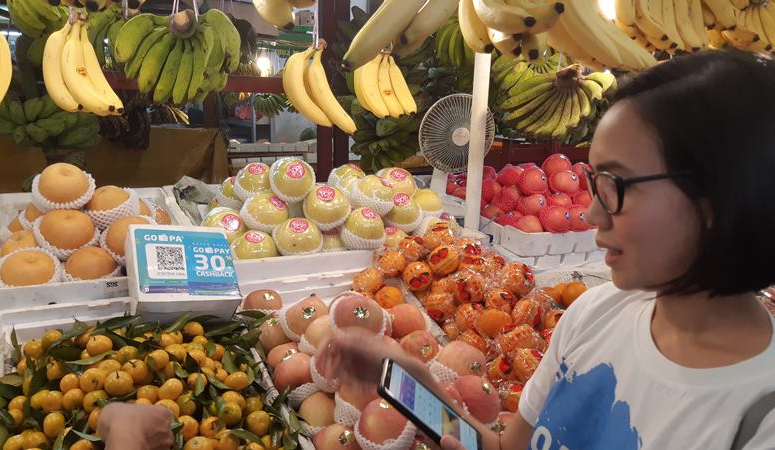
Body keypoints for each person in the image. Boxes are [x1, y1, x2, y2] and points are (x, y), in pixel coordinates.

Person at [319, 50, 775, 450]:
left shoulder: (757, 421)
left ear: (717, 196)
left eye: (616, 185)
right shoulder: (596, 315)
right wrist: (407, 380)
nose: (593, 214)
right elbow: (499, 447)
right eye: (593, 182)